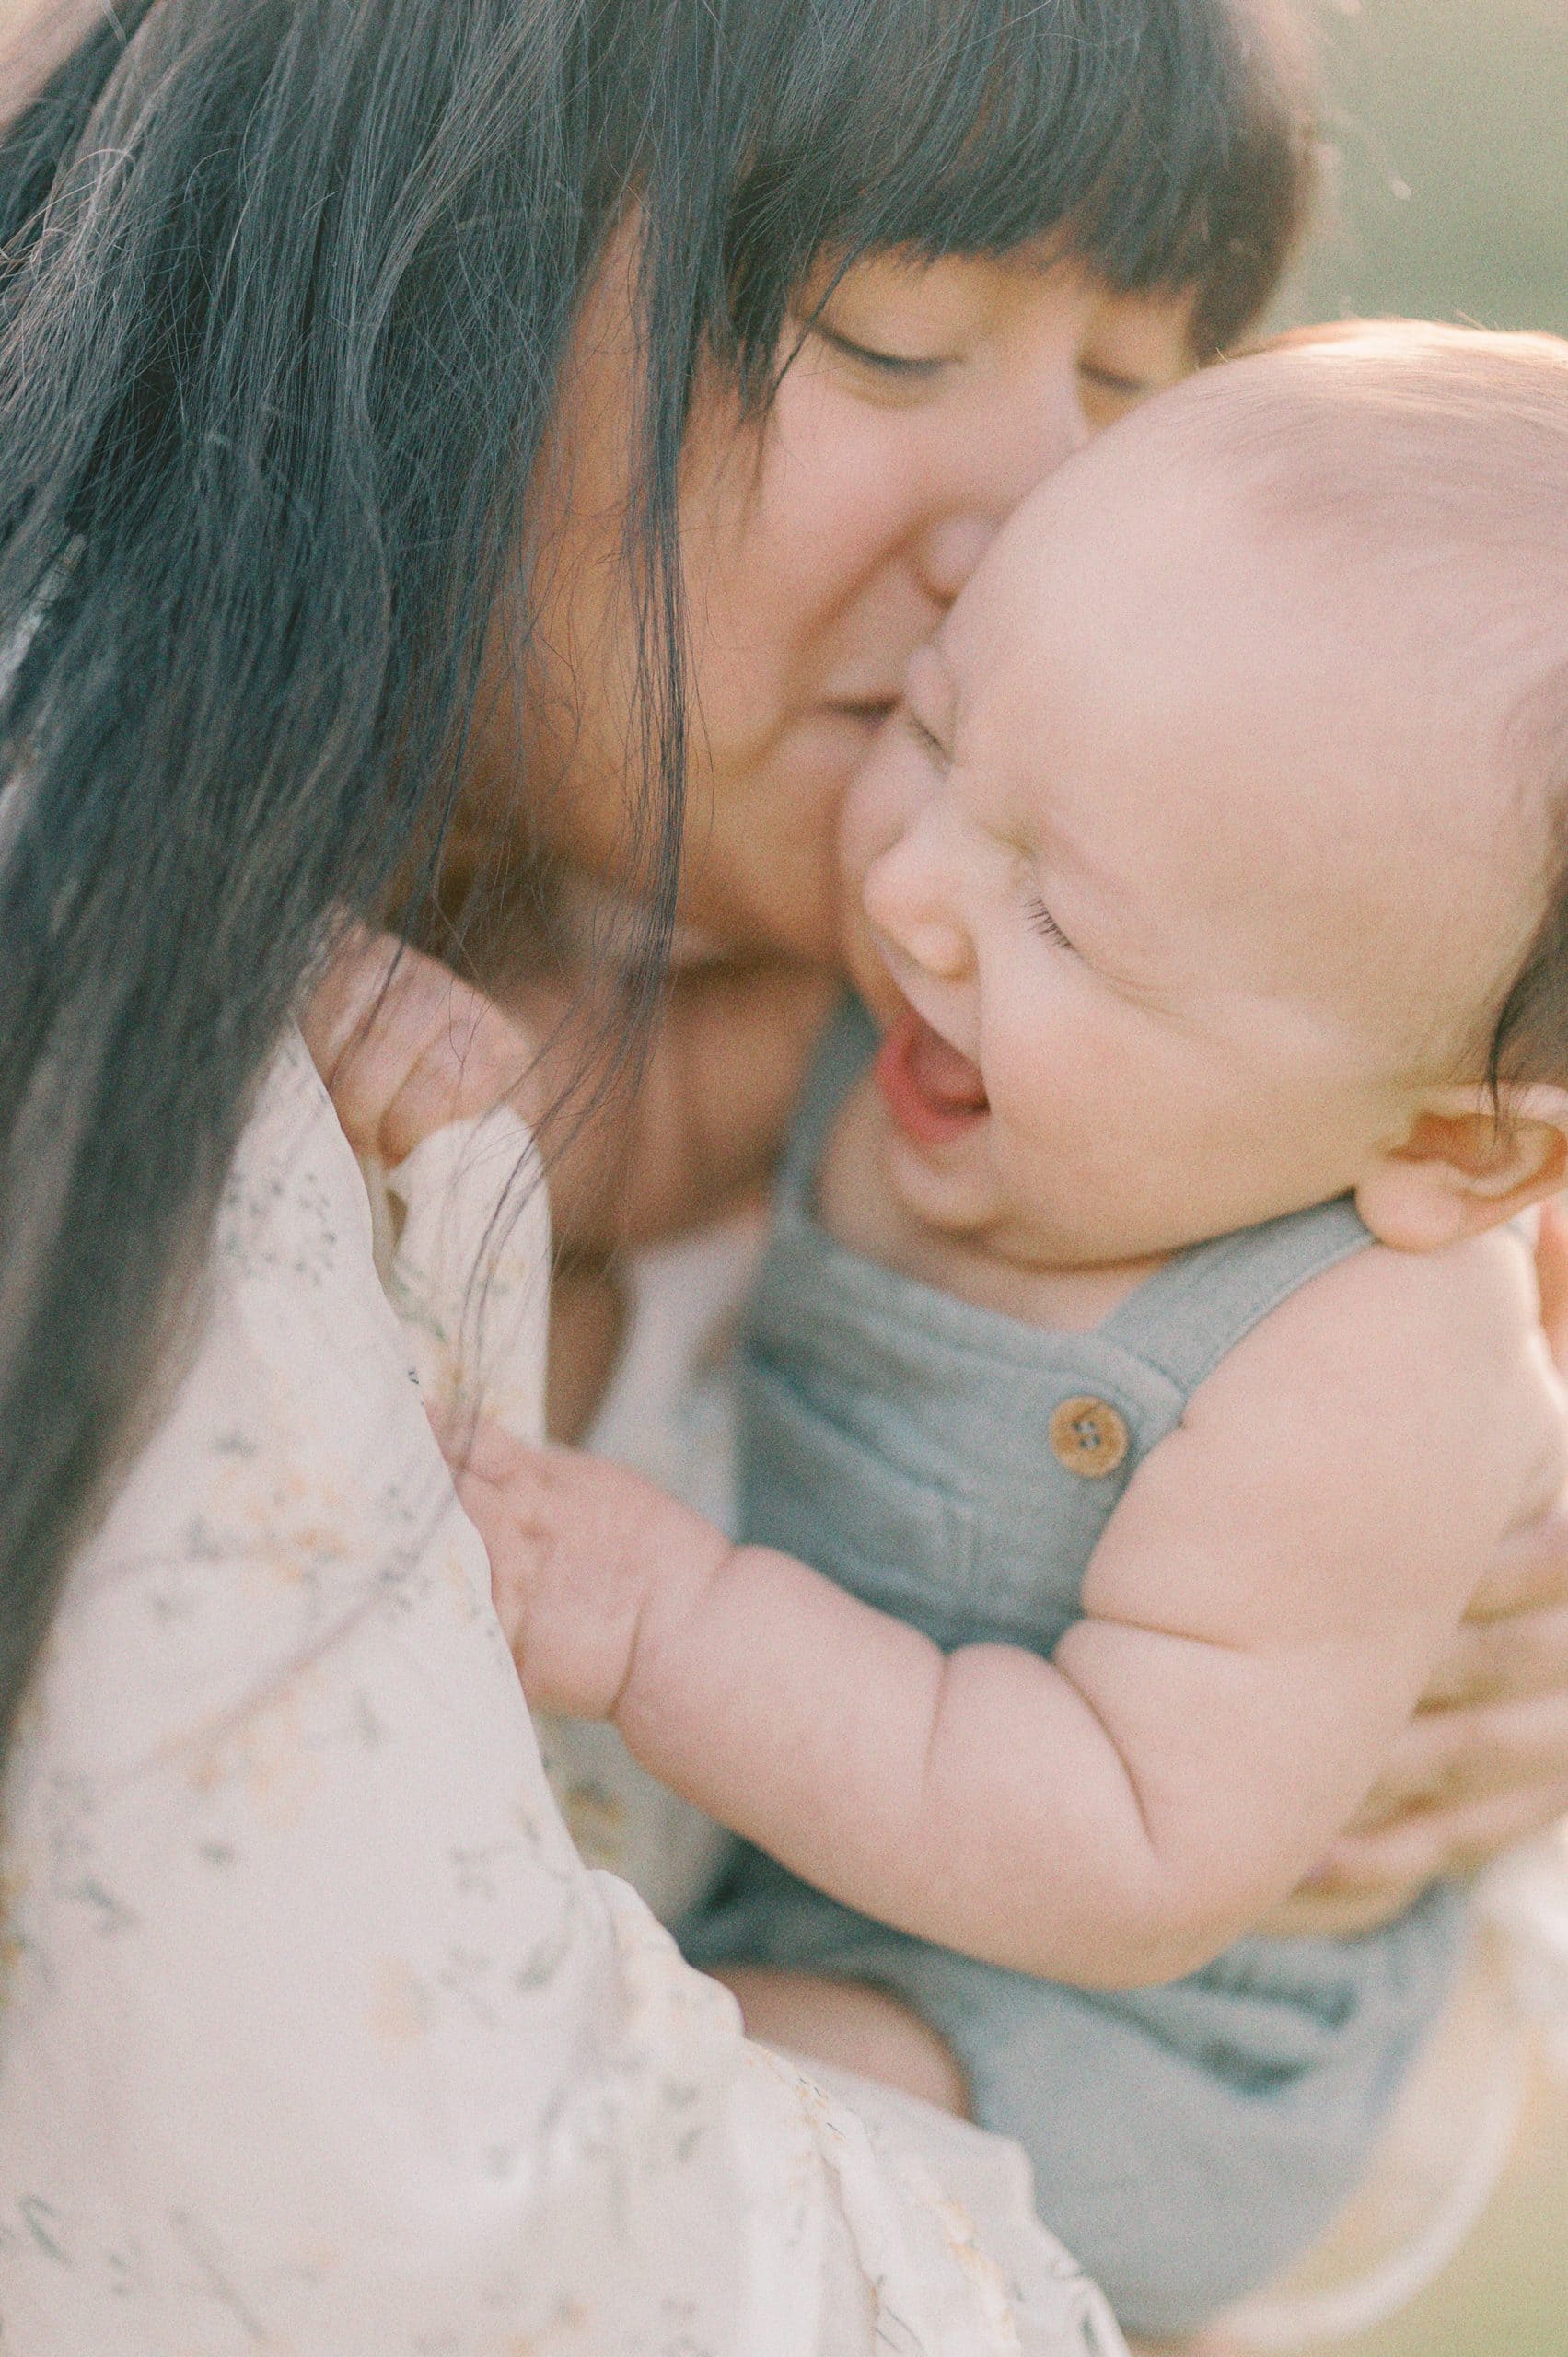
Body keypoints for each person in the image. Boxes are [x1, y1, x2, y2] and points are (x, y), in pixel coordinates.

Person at [0, 0, 1565, 2348]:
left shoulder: (1028, 1041)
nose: (1046, 509)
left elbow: (1352, 2058)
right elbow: (465, 2233)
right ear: (411, 283)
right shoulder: (150, 1058)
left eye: (1143, 388)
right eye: (894, 331)